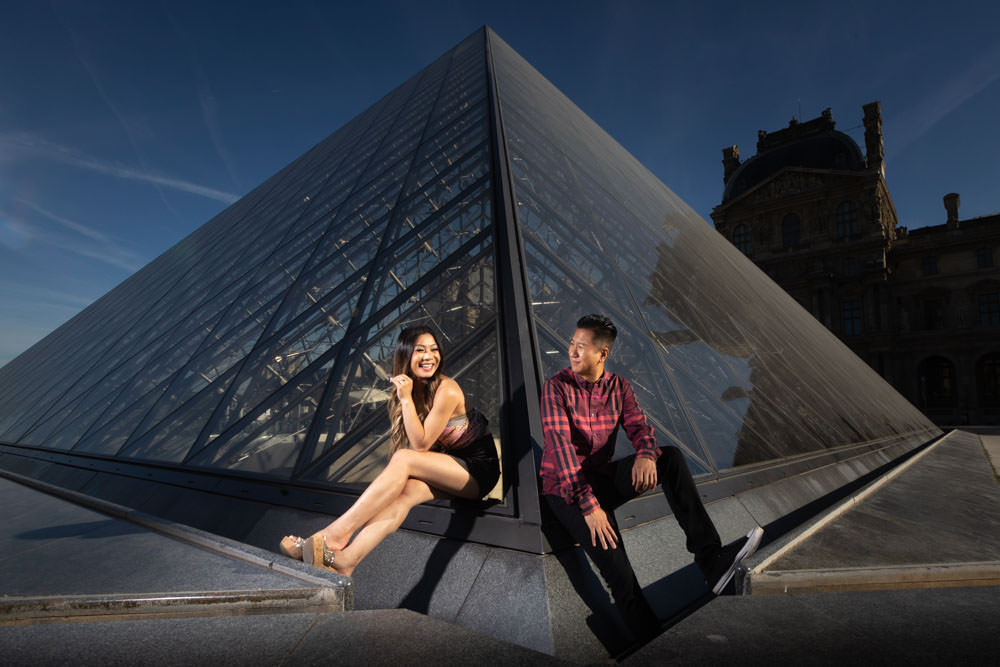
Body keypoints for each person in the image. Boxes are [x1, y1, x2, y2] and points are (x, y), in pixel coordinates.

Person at [541, 314, 763, 641]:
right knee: (621, 577)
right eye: (572, 344)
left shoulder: (619, 388)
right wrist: (590, 507)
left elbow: (641, 427)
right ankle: (653, 646)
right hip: (566, 490)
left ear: (603, 354)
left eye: (581, 347)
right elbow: (560, 450)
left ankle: (712, 562)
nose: (572, 352)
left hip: (601, 480)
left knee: (669, 458)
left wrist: (646, 453)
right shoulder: (556, 387)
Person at [280, 325, 499, 576]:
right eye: (420, 350)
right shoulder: (417, 390)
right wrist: (406, 397)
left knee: (404, 459)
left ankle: (334, 535)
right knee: (405, 493)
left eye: (434, 349)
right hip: (453, 466)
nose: (429, 356)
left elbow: (420, 446)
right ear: (406, 355)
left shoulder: (446, 389)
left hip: (478, 470)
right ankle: (348, 560)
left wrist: (405, 398)